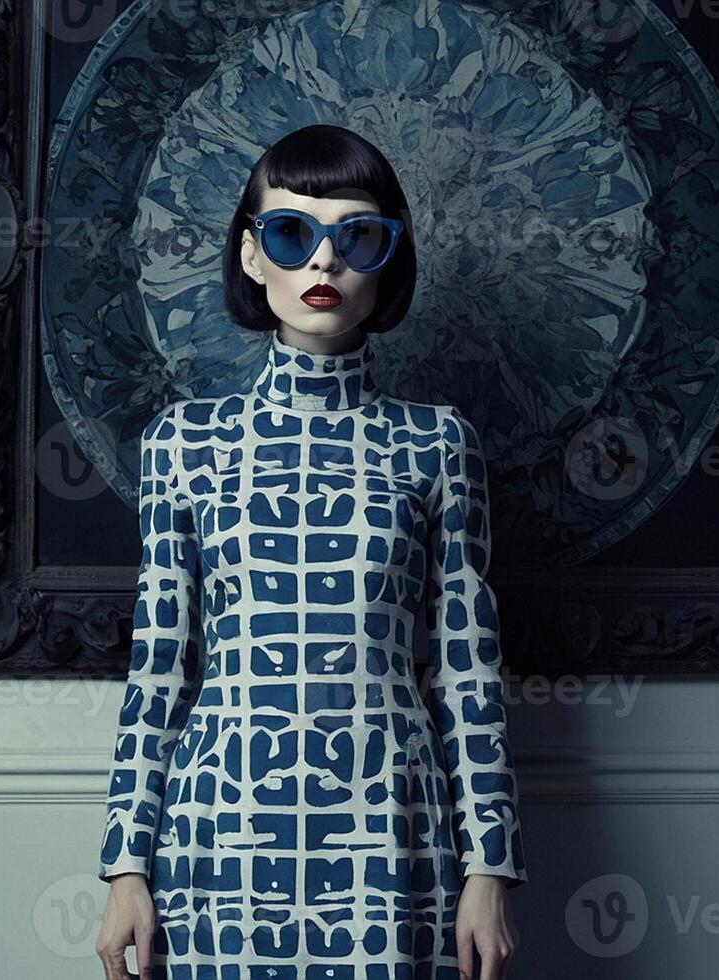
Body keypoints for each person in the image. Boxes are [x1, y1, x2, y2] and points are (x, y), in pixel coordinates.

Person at [95, 123, 528, 980]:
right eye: (292, 234)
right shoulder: (183, 444)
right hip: (219, 830)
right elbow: (159, 674)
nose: (322, 264)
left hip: (394, 832)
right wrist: (124, 867)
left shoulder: (437, 445)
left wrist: (490, 867)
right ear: (253, 257)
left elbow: (467, 674)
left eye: (356, 236)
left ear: (387, 262)